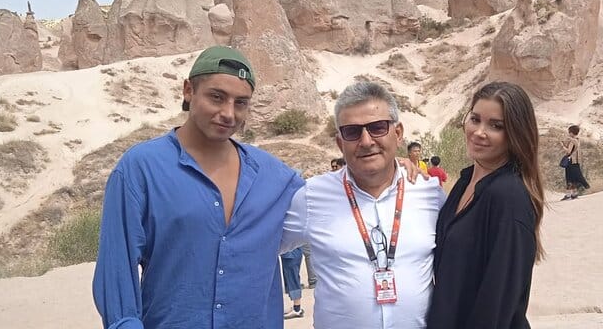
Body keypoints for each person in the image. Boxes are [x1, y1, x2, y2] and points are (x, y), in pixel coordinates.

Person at [92, 46, 304, 329]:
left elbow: (339, 208)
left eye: (241, 102)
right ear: (189, 90)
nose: (228, 113)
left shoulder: (276, 177)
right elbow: (116, 274)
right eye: (217, 97)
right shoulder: (141, 168)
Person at [282, 81, 445, 328]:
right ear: (340, 143)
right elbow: (257, 248)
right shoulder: (311, 196)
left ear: (398, 133)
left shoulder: (429, 193)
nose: (366, 141)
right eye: (352, 132)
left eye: (378, 128)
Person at [426, 81, 545, 329]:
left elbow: (496, 302)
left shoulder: (508, 197)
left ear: (515, 134)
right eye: (475, 119)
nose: (479, 132)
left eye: (496, 126)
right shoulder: (465, 182)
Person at [560, 124, 590, 200]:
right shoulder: (577, 140)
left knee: (569, 177)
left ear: (571, 132)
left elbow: (568, 151)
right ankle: (574, 194)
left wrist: (562, 146)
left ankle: (568, 195)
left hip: (571, 161)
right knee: (574, 178)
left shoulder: (572, 141)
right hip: (576, 161)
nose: (568, 133)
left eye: (569, 132)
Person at [281, 247, 305, 319]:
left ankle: (297, 309)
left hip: (290, 254)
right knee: (292, 279)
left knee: (293, 280)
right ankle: (296, 307)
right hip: (291, 253)